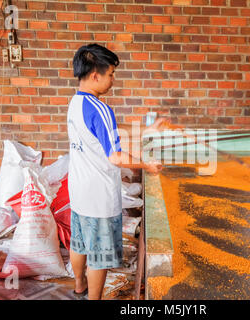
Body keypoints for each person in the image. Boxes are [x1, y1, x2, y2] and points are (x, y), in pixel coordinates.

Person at [67, 43, 168, 300]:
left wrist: (147, 131)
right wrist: (147, 165)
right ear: (95, 75)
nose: (113, 80)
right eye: (111, 74)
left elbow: (106, 130)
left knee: (79, 243)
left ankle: (79, 285)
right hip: (98, 197)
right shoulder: (102, 109)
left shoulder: (76, 103)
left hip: (78, 191)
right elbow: (116, 156)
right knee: (99, 256)